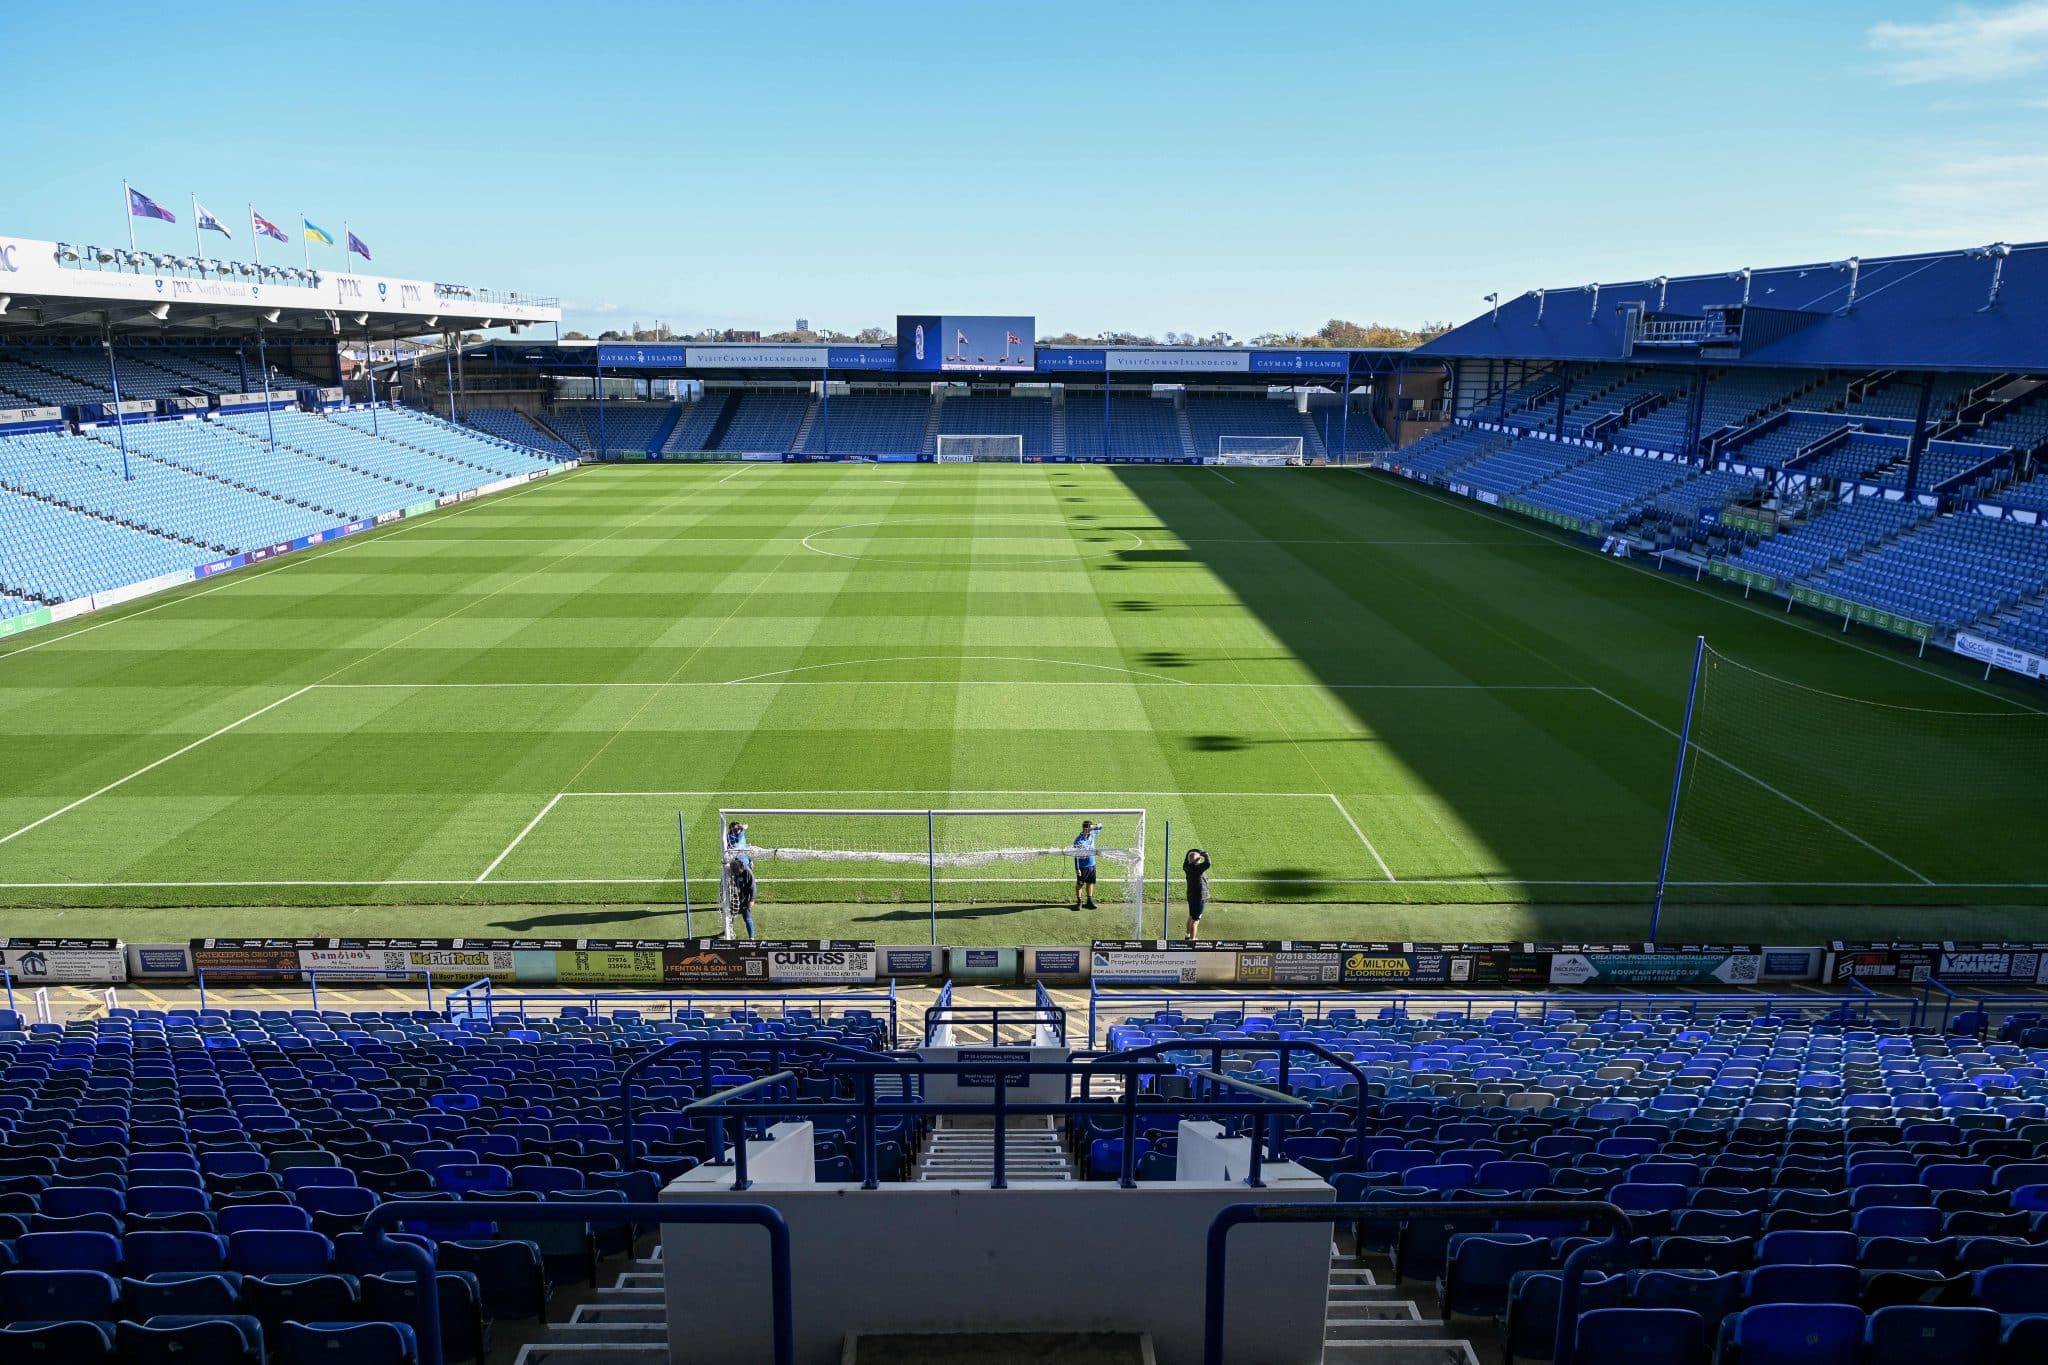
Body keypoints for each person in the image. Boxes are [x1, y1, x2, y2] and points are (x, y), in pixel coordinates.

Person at [723, 854, 757, 941]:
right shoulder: (733, 865)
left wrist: (751, 900)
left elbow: (753, 887)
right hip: (735, 893)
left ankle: (751, 937)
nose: (736, 874)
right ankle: (728, 930)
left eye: (738, 873)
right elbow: (741, 853)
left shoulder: (748, 872)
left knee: (747, 917)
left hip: (745, 895)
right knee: (731, 914)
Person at [1072, 819, 1101, 911]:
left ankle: (1089, 901)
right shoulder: (1078, 841)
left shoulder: (1092, 834)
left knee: (1090, 883)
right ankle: (1079, 902)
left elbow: (1101, 826)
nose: (1091, 829)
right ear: (1085, 828)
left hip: (1092, 864)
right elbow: (1076, 855)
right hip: (1082, 867)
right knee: (1080, 884)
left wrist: (1095, 825)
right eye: (1090, 828)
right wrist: (1077, 868)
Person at [1182, 847, 1211, 940]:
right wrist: (1205, 854)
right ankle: (1192, 940)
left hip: (1191, 896)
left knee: (1191, 916)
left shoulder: (1186, 867)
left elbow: (1187, 859)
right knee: (1195, 921)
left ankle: (1187, 935)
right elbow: (1208, 863)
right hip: (1200, 898)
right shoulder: (1198, 869)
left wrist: (1190, 851)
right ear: (1198, 860)